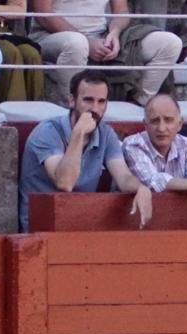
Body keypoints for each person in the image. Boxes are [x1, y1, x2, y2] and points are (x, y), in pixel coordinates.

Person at [18, 68, 152, 231]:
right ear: (72, 101)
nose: (95, 108)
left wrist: (141, 188)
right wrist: (78, 134)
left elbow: (123, 177)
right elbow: (65, 183)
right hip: (41, 227)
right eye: (88, 100)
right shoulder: (47, 131)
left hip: (80, 222)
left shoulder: (106, 133)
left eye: (101, 101)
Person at [29, 0, 184, 106]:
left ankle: (138, 106)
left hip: (102, 34)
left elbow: (121, 11)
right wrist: (88, 42)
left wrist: (114, 33)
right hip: (51, 37)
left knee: (170, 43)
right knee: (77, 43)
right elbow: (43, 14)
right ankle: (73, 109)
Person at [0, 0, 45, 104]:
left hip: (5, 33)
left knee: (31, 54)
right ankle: (13, 113)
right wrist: (1, 15)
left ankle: (37, 111)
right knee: (10, 52)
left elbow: (20, 12)